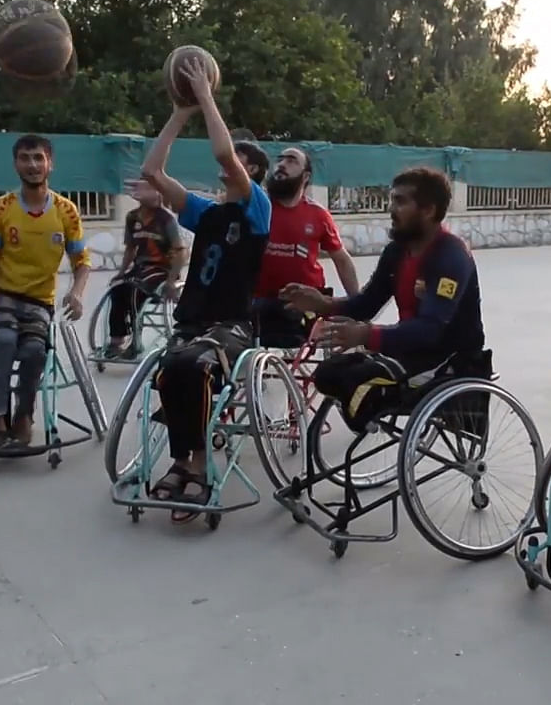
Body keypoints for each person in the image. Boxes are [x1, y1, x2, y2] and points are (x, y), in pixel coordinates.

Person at [138, 57, 271, 521]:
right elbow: (153, 171)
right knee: (171, 364)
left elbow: (222, 154)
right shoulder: (204, 212)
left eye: (243, 163)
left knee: (192, 365)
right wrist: (181, 110)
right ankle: (185, 461)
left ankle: (194, 466)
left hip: (232, 326)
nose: (233, 166)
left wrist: (207, 96)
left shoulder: (256, 211)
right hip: (193, 321)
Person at [280, 166, 487, 432]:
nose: (391, 209)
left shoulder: (451, 257)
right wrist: (323, 304)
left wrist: (366, 334)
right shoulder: (396, 252)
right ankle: (371, 410)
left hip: (448, 357)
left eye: (400, 201)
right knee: (327, 373)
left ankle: (373, 408)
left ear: (428, 210)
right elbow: (368, 302)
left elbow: (431, 329)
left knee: (356, 383)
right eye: (392, 200)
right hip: (410, 347)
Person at [0, 134, 91, 450]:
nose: (32, 165)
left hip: (41, 302)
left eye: (38, 158)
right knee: (1, 343)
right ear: (15, 164)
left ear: (50, 164)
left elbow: (82, 261)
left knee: (34, 352)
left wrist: (77, 293)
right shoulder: (0, 209)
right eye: (25, 158)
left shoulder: (66, 212)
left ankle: (24, 415)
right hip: (5, 296)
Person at [251, 147, 360, 345]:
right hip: (258, 303)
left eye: (291, 160)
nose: (282, 164)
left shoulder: (318, 215)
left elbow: (342, 260)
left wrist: (357, 304)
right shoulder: (257, 206)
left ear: (306, 176)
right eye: (280, 159)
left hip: (303, 305)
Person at [101, 178, 186, 359]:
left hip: (163, 269)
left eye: (154, 188)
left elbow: (180, 251)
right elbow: (131, 248)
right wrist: (121, 273)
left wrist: (172, 281)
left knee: (133, 291)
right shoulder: (132, 218)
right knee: (117, 290)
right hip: (141, 268)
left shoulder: (166, 219)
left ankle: (136, 342)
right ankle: (116, 339)